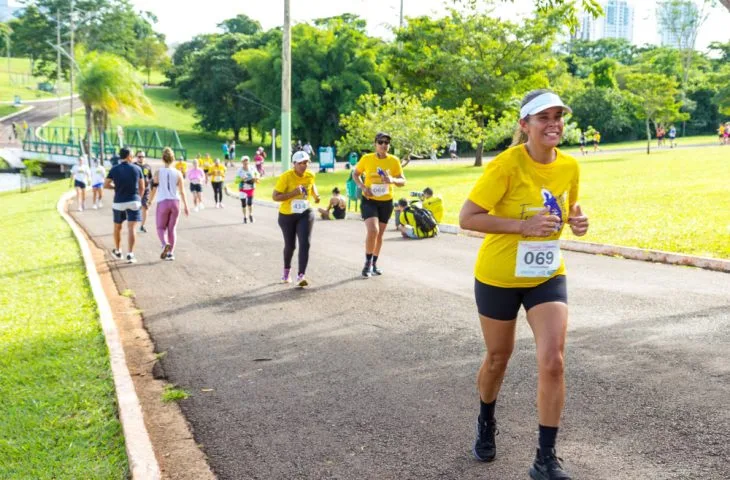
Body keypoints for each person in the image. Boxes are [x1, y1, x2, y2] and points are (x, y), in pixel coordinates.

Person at [459, 89, 589, 480]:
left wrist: (577, 221)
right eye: (543, 118)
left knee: (553, 360)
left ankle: (545, 459)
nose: (553, 124)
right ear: (525, 125)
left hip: (546, 274)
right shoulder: (505, 166)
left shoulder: (569, 167)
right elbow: (468, 217)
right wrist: (522, 227)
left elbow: (565, 210)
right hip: (498, 275)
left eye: (558, 117)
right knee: (498, 358)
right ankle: (486, 420)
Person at [351, 132, 406, 278]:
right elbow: (355, 174)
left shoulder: (394, 161)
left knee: (380, 234)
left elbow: (403, 181)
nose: (384, 145)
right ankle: (367, 263)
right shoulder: (367, 159)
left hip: (386, 202)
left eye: (387, 143)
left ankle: (374, 263)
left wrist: (392, 179)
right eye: (381, 142)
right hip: (369, 200)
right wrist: (363, 187)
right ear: (375, 144)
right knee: (373, 230)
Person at [272, 151, 320, 287]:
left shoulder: (310, 174)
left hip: (305, 212)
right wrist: (294, 193)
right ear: (294, 164)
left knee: (305, 243)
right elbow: (275, 197)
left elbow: (312, 185)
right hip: (287, 215)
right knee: (290, 246)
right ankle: (286, 272)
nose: (304, 165)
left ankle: (301, 276)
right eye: (301, 163)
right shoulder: (286, 177)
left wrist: (316, 195)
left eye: (306, 162)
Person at [104, 147, 145, 264]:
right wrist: (139, 199)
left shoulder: (114, 169)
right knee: (132, 228)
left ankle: (118, 251)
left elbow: (106, 185)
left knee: (117, 227)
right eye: (132, 155)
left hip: (119, 202)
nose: (133, 157)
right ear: (128, 156)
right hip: (134, 201)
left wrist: (115, 187)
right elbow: (142, 187)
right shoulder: (137, 168)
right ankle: (130, 254)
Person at [148, 147, 189, 261]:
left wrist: (149, 201)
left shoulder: (158, 172)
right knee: (172, 229)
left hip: (163, 201)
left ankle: (164, 243)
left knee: (160, 227)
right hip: (175, 202)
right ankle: (171, 253)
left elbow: (154, 189)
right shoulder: (178, 173)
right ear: (173, 159)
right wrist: (185, 206)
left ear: (162, 158)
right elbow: (182, 191)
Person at [236, 156, 259, 224]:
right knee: (243, 204)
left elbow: (257, 174)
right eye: (244, 161)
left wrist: (256, 178)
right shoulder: (239, 170)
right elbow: (236, 180)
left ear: (248, 161)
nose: (245, 162)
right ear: (242, 162)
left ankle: (251, 215)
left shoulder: (252, 168)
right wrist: (241, 179)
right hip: (242, 189)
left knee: (250, 203)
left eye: (247, 161)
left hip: (251, 188)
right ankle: (245, 217)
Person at [134, 151, 153, 233]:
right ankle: (133, 225)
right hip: (136, 190)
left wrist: (151, 189)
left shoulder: (147, 166)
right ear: (136, 157)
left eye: (142, 156)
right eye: (139, 156)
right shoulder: (133, 166)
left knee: (145, 207)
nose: (141, 158)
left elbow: (150, 178)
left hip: (146, 190)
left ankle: (142, 226)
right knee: (135, 207)